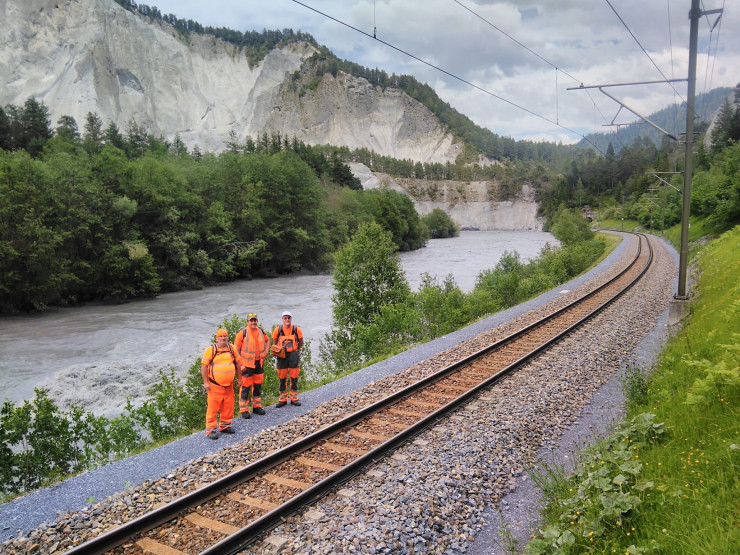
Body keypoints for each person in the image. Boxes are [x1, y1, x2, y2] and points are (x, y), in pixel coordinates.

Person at [200, 328, 237, 439]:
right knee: (213, 408)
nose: (223, 338)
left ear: (227, 337)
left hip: (229, 386)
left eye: (225, 335)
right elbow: (204, 366)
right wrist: (206, 382)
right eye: (221, 336)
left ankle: (225, 426)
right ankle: (210, 430)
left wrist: (239, 379)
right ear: (217, 338)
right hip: (215, 386)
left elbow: (238, 363)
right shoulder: (211, 350)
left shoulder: (231, 348)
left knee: (228, 406)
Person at [234, 313, 271, 419]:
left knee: (258, 385)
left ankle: (256, 406)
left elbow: (267, 341)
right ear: (247, 322)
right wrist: (239, 365)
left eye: (255, 320)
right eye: (251, 320)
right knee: (245, 387)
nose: (253, 322)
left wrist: (266, 351)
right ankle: (244, 409)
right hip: (246, 365)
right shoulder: (242, 333)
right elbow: (235, 350)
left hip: (259, 363)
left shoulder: (261, 331)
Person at [272, 310, 304, 406]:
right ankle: (283, 399)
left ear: (291, 319)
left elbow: (301, 341)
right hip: (282, 356)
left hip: (293, 355)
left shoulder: (296, 329)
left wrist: (295, 349)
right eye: (285, 318)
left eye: (288, 318)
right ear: (282, 319)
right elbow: (274, 342)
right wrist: (279, 351)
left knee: (294, 377)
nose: (287, 320)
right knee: (282, 377)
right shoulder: (277, 330)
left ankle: (294, 398)